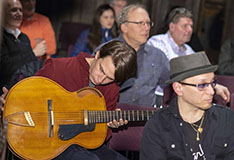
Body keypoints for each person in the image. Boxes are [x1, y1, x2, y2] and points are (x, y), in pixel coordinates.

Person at [2, 40, 137, 160]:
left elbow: (99, 138)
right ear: (98, 54)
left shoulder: (112, 89)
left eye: (110, 78)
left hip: (83, 144)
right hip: (47, 142)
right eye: (101, 70)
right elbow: (26, 95)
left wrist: (109, 124)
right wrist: (11, 101)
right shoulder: (58, 67)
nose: (101, 79)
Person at [112, 4, 230, 107]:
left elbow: (176, 79)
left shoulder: (158, 55)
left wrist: (209, 85)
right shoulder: (109, 51)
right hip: (114, 113)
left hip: (146, 114)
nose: (146, 28)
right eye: (140, 23)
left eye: (148, 23)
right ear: (124, 27)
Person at [140, 51, 234, 160]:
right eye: (202, 85)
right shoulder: (158, 125)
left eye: (212, 83)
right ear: (178, 88)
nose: (211, 91)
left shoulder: (226, 118)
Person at [147, 7, 195, 106]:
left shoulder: (189, 50)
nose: (190, 30)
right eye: (185, 26)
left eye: (191, 26)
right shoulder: (157, 42)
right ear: (172, 27)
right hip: (157, 97)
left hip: (181, 99)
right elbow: (166, 74)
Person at [0, 0, 38, 95]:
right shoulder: (2, 36)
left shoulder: (24, 37)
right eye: (14, 10)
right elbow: (5, 66)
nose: (19, 14)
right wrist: (33, 53)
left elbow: (31, 65)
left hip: (24, 88)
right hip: (4, 91)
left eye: (21, 10)